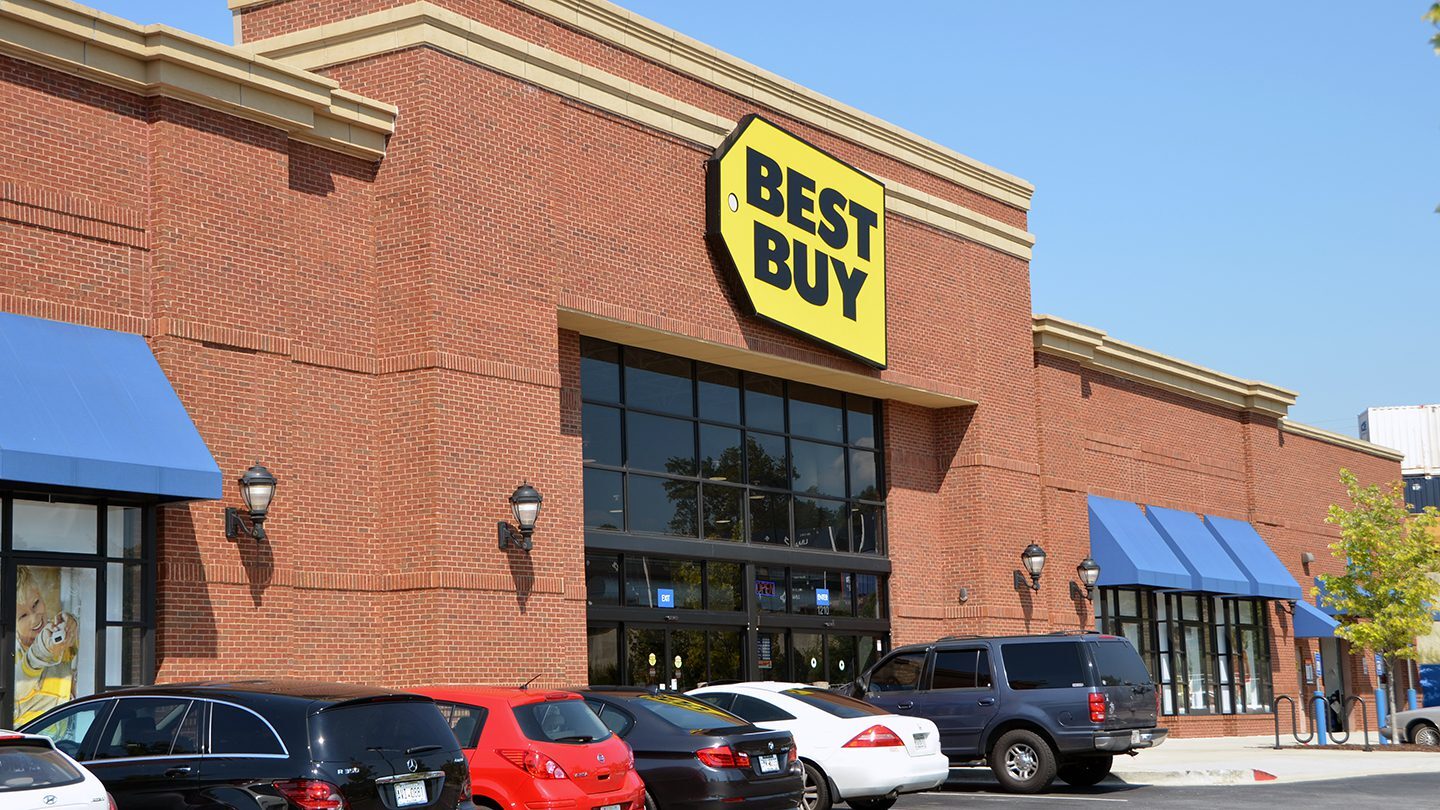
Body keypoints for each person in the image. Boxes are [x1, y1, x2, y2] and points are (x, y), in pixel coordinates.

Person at [14, 566, 79, 725]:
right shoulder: (11, 652)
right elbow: (16, 688)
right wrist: (42, 652)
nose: (35, 618)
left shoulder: (56, 631)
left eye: (36, 603)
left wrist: (71, 623)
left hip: (66, 737)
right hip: (29, 740)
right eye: (23, 616)